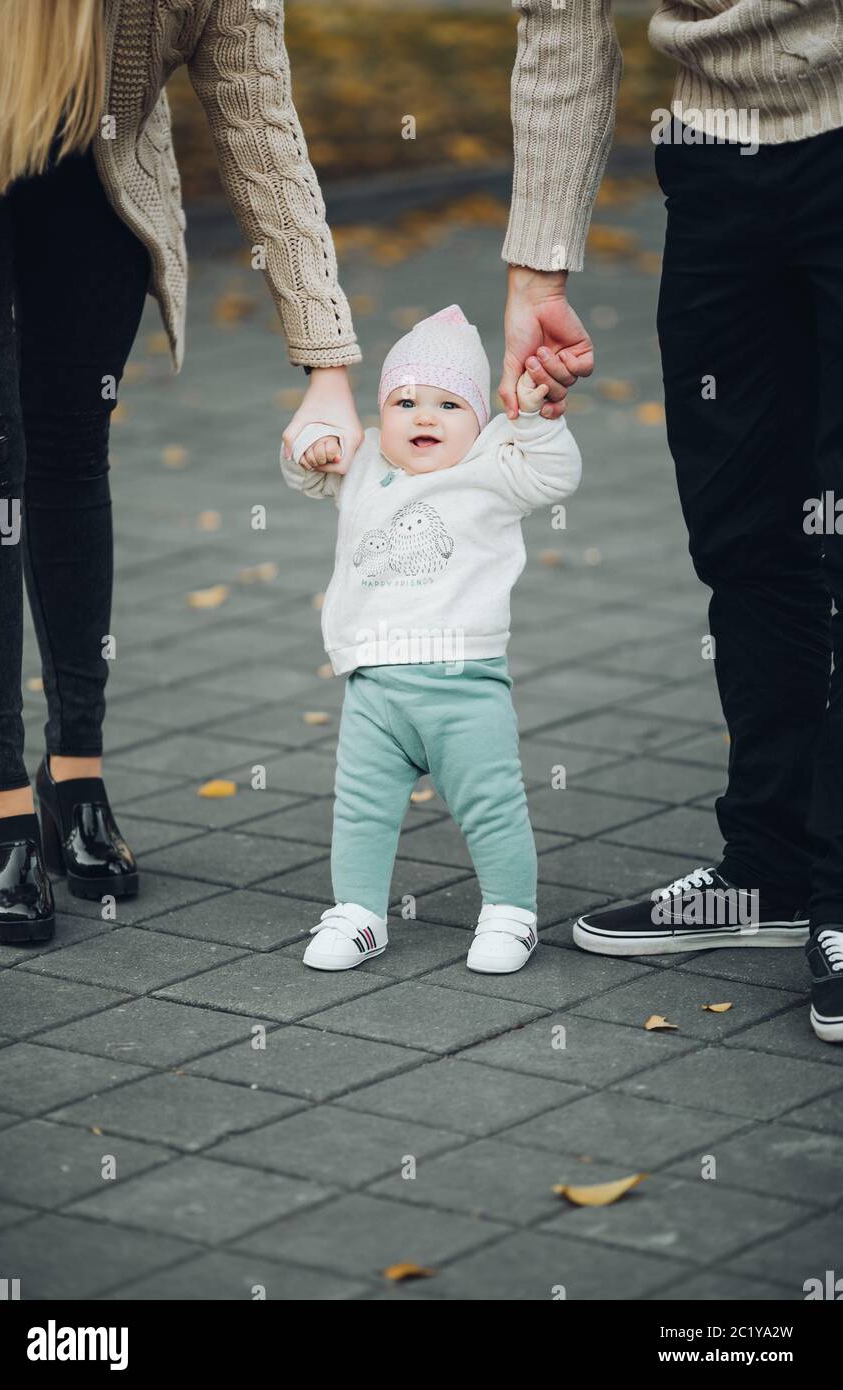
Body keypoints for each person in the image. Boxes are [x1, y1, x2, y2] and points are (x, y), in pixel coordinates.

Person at [0, 0, 361, 945]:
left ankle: (74, 776)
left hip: (99, 170)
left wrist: (327, 365)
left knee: (69, 450)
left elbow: (261, 125)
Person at [497, 0, 843, 1042]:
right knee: (742, 530)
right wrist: (536, 270)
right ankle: (771, 867)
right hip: (710, 164)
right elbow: (560, 23)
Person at [280, 305, 581, 973]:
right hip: (373, 690)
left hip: (463, 688)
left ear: (480, 420)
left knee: (491, 806)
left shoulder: (492, 466)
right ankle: (358, 912)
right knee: (359, 810)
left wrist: (532, 421)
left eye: (449, 404)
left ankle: (510, 912)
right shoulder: (362, 463)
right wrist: (312, 448)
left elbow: (557, 476)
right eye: (405, 400)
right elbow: (306, 476)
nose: (424, 416)